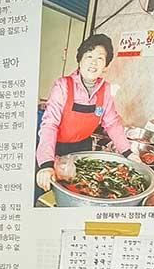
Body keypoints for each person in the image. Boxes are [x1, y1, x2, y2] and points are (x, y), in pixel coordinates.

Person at [35, 32, 133, 195]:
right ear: (80, 60)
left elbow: (112, 123)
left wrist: (129, 153)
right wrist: (46, 164)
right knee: (49, 193)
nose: (94, 63)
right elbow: (49, 125)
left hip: (83, 150)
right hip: (55, 148)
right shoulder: (63, 86)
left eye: (100, 58)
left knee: (81, 191)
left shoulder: (106, 90)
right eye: (89, 56)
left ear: (106, 66)